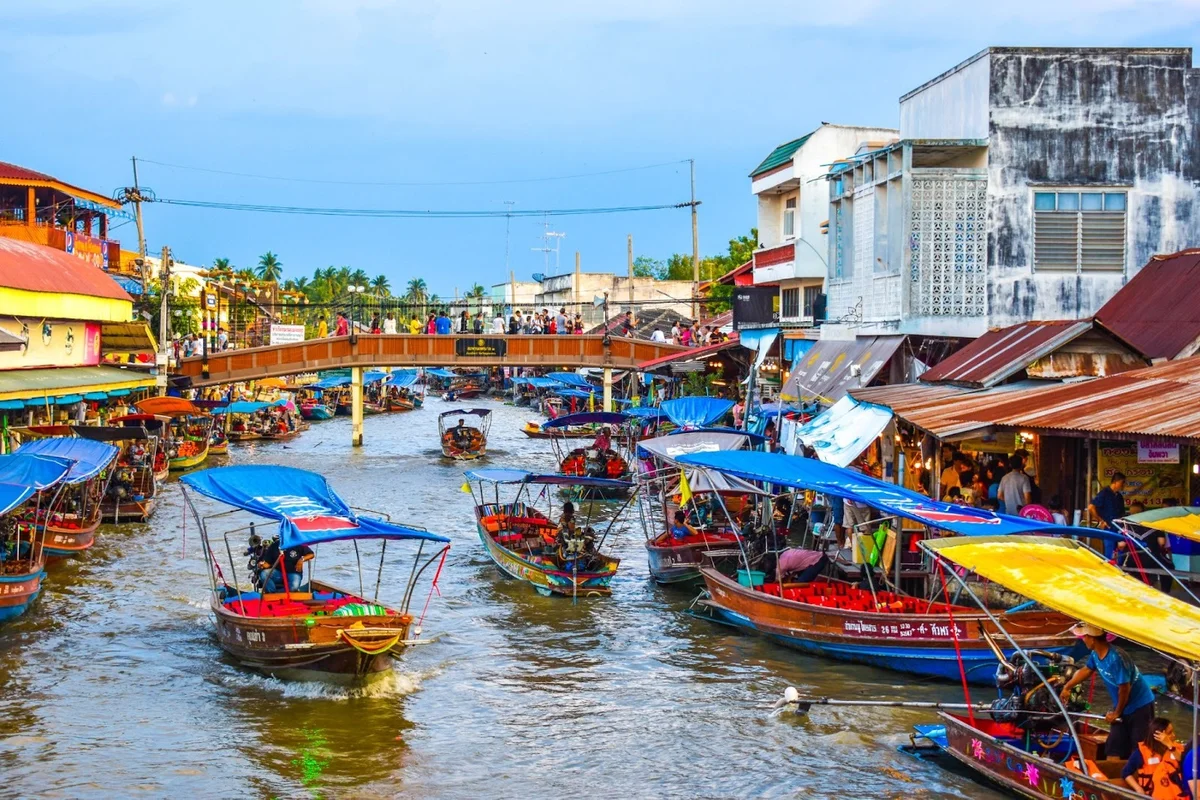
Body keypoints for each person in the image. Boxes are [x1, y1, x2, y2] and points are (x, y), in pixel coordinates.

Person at [1059, 622, 1156, 760]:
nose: (1083, 640)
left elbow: (1124, 689)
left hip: (1140, 705)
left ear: (1092, 638)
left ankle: (1138, 777)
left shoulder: (1116, 658)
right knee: (1113, 747)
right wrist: (1067, 687)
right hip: (1121, 705)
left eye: (1084, 637)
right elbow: (1086, 670)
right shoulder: (1095, 654)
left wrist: (1116, 713)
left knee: (1139, 748)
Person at [1122, 718, 1186, 798]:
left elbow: (1184, 761)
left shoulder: (1177, 748)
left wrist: (1170, 745)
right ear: (1158, 736)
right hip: (1152, 796)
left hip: (1176, 795)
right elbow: (1126, 773)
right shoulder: (1141, 752)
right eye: (1170, 733)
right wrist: (1139, 789)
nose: (1174, 735)